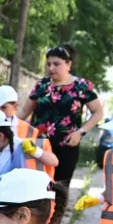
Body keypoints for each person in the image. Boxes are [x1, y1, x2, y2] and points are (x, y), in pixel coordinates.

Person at [17, 44, 105, 191]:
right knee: (35, 187)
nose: (51, 68)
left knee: (59, 189)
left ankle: (57, 214)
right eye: (49, 64)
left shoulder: (81, 86)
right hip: (38, 145)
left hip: (66, 147)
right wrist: (5, 125)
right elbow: (24, 112)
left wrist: (81, 132)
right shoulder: (42, 85)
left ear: (68, 64)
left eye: (56, 64)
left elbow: (98, 113)